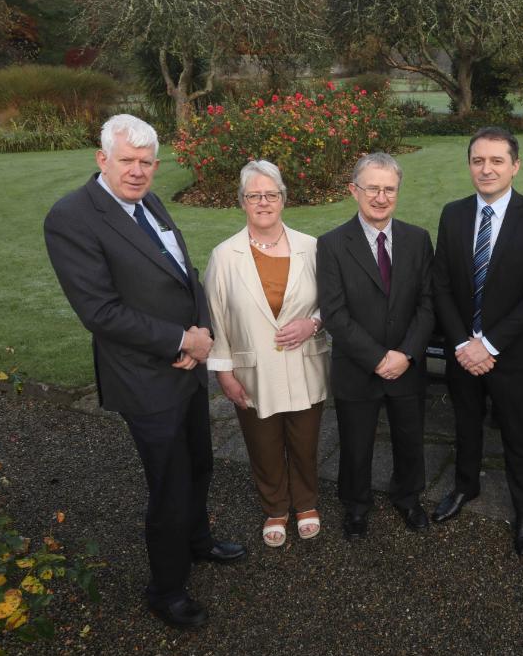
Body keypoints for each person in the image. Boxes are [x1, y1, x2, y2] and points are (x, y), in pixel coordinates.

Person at [43, 114, 246, 630]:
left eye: (146, 162)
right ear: (102, 159)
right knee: (171, 485)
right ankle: (166, 590)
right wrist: (182, 340)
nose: (137, 171)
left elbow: (185, 274)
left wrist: (198, 332)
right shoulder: (71, 217)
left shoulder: (146, 202)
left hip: (185, 365)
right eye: (127, 160)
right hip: (144, 376)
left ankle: (197, 542)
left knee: (201, 464)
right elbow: (100, 311)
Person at [430, 127, 523, 556]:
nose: (486, 169)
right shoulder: (453, 213)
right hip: (462, 351)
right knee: (465, 422)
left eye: (496, 160)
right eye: (478, 160)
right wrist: (465, 342)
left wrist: (490, 344)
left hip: (510, 353)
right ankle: (466, 487)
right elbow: (441, 285)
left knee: (518, 434)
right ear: (469, 165)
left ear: (515, 166)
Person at [204, 160, 330, 548]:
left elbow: (334, 302)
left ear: (283, 199)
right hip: (252, 370)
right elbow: (216, 318)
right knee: (262, 443)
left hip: (305, 361)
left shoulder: (311, 247)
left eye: (270, 195)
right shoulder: (225, 256)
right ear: (242, 202)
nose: (263, 202)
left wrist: (314, 323)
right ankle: (275, 507)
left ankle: (306, 502)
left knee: (305, 439)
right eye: (254, 195)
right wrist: (223, 372)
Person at [317, 153, 435, 540]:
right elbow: (334, 313)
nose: (381, 197)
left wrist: (406, 353)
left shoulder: (418, 240)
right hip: (357, 365)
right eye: (373, 188)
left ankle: (408, 497)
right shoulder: (332, 244)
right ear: (354, 190)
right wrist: (377, 357)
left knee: (409, 437)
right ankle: (355, 505)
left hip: (407, 362)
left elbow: (427, 302)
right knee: (355, 442)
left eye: (389, 189)